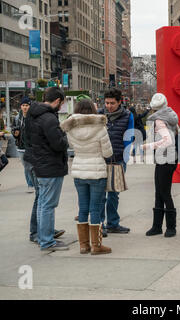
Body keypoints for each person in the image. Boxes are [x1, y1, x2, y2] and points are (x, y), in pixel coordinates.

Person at [61, 99, 113, 255]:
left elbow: (71, 148)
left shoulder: (71, 129)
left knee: (82, 208)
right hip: (97, 171)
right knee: (95, 209)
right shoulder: (100, 128)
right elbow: (108, 153)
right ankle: (96, 245)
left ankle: (84, 245)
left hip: (79, 170)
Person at [26, 87, 69, 251]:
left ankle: (43, 235)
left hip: (39, 164)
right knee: (48, 205)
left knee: (43, 203)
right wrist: (64, 136)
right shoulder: (49, 118)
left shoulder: (33, 114)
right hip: (50, 166)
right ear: (57, 101)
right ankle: (47, 240)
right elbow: (58, 144)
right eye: (61, 103)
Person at [98, 88, 134, 236]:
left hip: (118, 159)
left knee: (114, 193)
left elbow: (130, 136)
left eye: (112, 103)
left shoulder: (127, 115)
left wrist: (125, 157)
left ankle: (113, 223)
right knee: (100, 194)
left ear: (120, 102)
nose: (109, 106)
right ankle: (99, 224)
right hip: (100, 159)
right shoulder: (99, 115)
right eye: (107, 103)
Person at [142, 93, 179, 237]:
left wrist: (148, 146)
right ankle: (157, 226)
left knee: (163, 192)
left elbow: (168, 140)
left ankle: (170, 227)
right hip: (168, 158)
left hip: (165, 159)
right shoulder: (170, 117)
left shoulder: (159, 121)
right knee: (160, 192)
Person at [12, 97, 34, 193]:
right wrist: (15, 134)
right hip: (21, 146)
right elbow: (13, 129)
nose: (25, 107)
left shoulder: (33, 117)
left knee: (32, 166)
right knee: (26, 167)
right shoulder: (17, 118)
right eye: (23, 105)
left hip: (32, 146)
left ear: (30, 106)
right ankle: (30, 184)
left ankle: (34, 183)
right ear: (21, 106)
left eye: (27, 105)